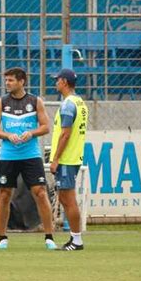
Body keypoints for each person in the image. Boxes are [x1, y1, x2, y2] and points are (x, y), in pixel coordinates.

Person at [0, 67, 57, 250]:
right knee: (4, 194)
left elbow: (45, 127)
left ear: (22, 82)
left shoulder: (35, 102)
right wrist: (7, 135)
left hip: (31, 155)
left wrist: (31, 133)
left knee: (40, 192)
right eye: (6, 80)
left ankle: (49, 237)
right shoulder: (1, 103)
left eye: (11, 80)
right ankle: (2, 238)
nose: (7, 83)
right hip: (8, 156)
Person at [49, 69, 88, 251]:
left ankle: (77, 240)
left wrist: (55, 158)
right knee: (65, 199)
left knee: (68, 199)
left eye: (57, 80)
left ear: (64, 82)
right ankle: (74, 238)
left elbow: (65, 134)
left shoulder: (67, 105)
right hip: (73, 156)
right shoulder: (79, 102)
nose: (55, 83)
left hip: (66, 158)